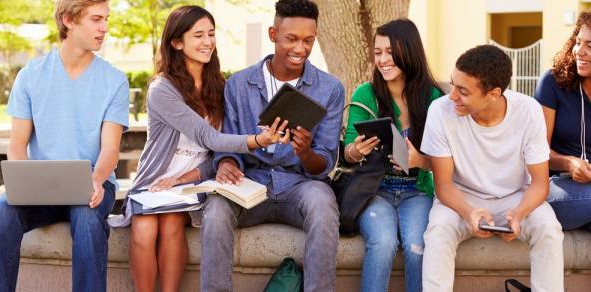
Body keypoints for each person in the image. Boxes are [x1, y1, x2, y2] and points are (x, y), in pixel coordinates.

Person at [110, 6, 289, 292]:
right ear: (177, 43)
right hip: (155, 182)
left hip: (195, 182)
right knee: (144, 229)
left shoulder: (220, 86)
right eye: (198, 36)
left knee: (170, 224)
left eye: (211, 34)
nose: (208, 42)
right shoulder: (163, 89)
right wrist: (257, 141)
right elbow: (209, 137)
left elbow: (213, 156)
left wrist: (184, 178)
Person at [199, 0, 344, 291]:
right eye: (291, 39)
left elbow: (325, 162)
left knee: (324, 204)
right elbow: (227, 143)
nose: (300, 49)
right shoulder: (238, 85)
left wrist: (305, 152)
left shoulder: (330, 89)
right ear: (273, 34)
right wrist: (227, 163)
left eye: (308, 41)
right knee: (215, 210)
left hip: (300, 184)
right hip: (250, 182)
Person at [0, 1, 130, 291]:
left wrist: (97, 179)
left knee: (87, 216)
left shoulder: (114, 80)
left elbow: (110, 150)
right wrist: (24, 181)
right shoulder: (31, 75)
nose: (104, 28)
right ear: (68, 20)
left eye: (106, 19)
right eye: (96, 19)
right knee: (3, 207)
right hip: (42, 188)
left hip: (94, 184)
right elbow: (17, 146)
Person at [420, 45, 564, 292]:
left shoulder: (528, 111)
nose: (452, 96)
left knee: (549, 229)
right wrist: (470, 212)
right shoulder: (440, 111)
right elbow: (443, 185)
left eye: (463, 91)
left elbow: (540, 184)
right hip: (460, 196)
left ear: (493, 94)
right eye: (453, 84)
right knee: (438, 231)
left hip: (516, 196)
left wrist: (518, 214)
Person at [343, 18, 442, 292]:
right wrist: (356, 150)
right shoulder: (367, 93)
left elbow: (445, 161)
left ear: (408, 53)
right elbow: (348, 152)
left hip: (417, 190)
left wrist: (418, 161)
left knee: (417, 246)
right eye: (378, 53)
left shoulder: (433, 98)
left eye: (391, 53)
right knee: (383, 243)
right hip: (376, 190)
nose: (383, 60)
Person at [535, 11, 591, 231]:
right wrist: (570, 162)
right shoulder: (552, 82)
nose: (580, 51)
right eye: (578, 42)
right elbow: (537, 151)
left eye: (590, 45)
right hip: (556, 185)